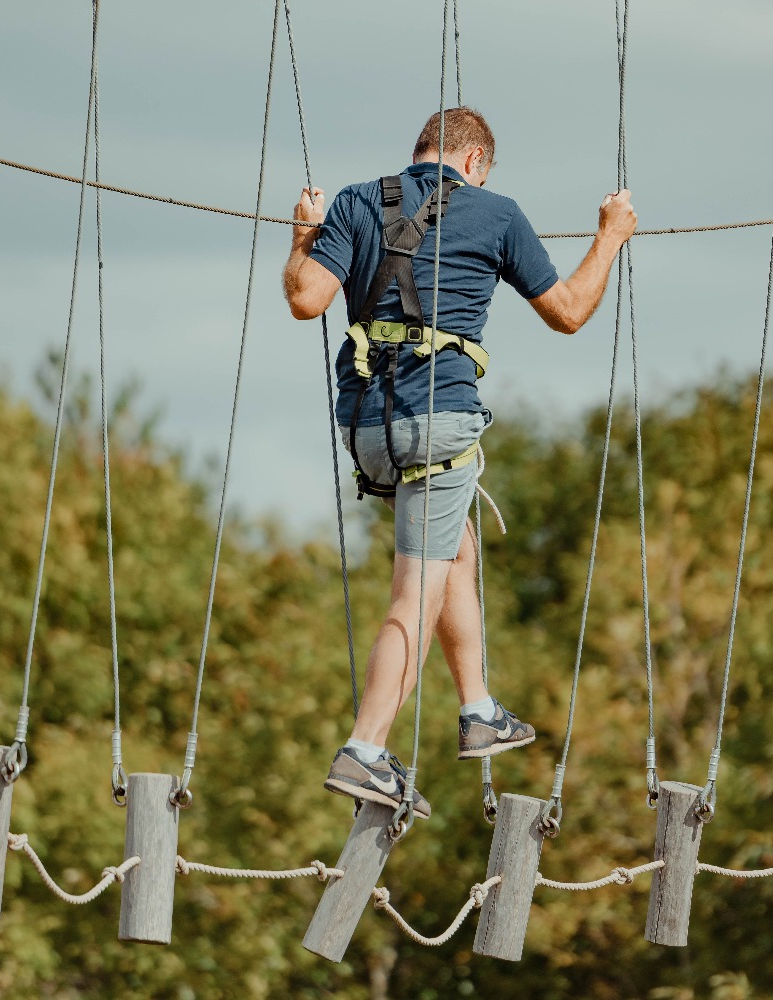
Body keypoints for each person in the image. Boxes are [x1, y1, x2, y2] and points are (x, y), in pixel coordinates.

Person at [283, 107, 636, 820]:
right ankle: (366, 750)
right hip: (438, 429)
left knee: (455, 556)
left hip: (366, 427)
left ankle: (478, 707)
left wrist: (303, 237)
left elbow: (304, 299)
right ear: (473, 162)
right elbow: (568, 311)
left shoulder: (356, 201)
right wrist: (609, 239)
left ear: (421, 154)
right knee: (416, 593)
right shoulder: (496, 213)